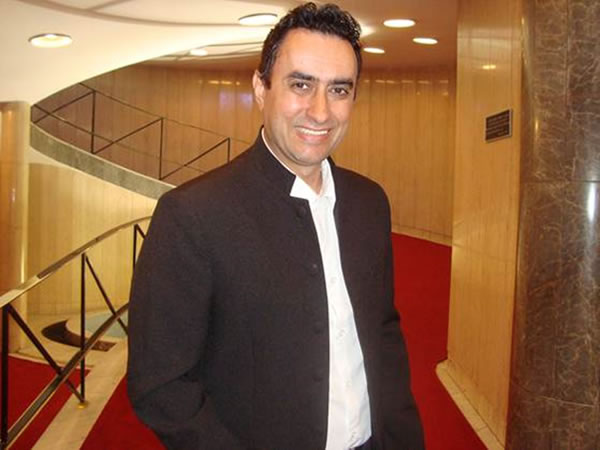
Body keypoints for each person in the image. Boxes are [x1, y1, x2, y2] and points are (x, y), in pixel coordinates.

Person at [127, 3, 424, 449]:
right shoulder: (192, 215)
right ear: (260, 89)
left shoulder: (369, 203)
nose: (320, 112)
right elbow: (160, 385)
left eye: (339, 90)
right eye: (301, 85)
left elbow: (383, 334)